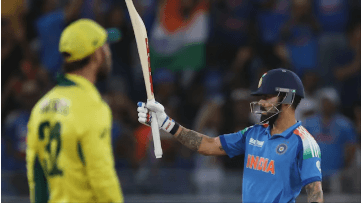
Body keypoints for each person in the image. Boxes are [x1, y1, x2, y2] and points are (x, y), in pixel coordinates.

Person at [137, 68, 323, 203]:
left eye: (267, 96)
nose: (261, 102)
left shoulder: (304, 143)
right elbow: (207, 145)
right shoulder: (254, 132)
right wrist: (166, 122)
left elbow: (315, 194)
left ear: (288, 98)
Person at [26, 19, 123, 203]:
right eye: (106, 47)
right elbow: (102, 177)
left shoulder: (41, 107)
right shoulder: (92, 106)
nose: (109, 53)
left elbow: (37, 180)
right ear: (97, 55)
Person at [303, 87, 357, 193]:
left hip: (336, 174)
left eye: (329, 102)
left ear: (335, 103)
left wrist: (344, 169)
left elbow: (351, 147)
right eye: (323, 101)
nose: (326, 105)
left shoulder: (345, 124)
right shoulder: (309, 123)